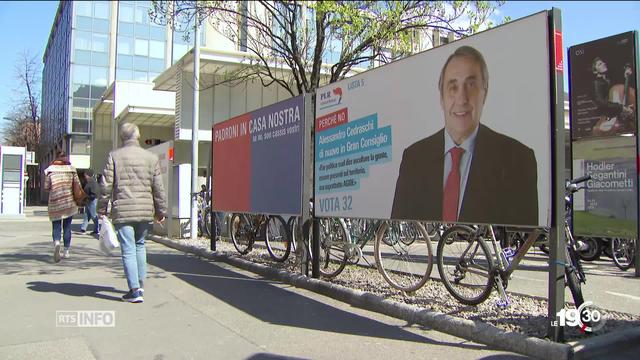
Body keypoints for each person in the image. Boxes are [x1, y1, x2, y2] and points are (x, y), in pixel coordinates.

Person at [391, 45, 538, 226]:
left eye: (471, 85)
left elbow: (524, 237)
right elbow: (396, 225)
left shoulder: (518, 159)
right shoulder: (414, 158)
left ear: (484, 93)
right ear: (441, 98)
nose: (461, 99)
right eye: (453, 87)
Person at [98, 123, 167, 303]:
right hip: (145, 211)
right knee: (140, 245)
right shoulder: (151, 158)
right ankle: (141, 285)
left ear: (122, 137)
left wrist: (102, 208)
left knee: (128, 249)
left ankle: (134, 291)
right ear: (138, 136)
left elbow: (106, 185)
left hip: (124, 211)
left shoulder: (114, 156)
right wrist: (161, 211)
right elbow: (158, 188)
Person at [44, 151, 81, 262]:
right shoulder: (72, 170)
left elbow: (46, 187)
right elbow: (77, 185)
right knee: (67, 227)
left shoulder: (50, 170)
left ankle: (56, 243)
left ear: (56, 158)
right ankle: (66, 251)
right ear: (66, 158)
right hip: (68, 202)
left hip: (55, 203)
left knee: (56, 226)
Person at [591, 57, 635, 135]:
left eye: (603, 62)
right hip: (608, 116)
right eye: (600, 64)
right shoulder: (597, 83)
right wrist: (621, 107)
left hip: (616, 112)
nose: (603, 64)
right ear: (595, 71)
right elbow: (601, 102)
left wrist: (626, 77)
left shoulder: (609, 79)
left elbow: (618, 91)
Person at [80, 169, 100, 235]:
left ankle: (96, 229)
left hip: (92, 200)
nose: (84, 176)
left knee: (94, 215)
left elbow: (94, 192)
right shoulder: (87, 182)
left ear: (88, 175)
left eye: (85, 174)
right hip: (88, 200)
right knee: (87, 215)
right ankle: (83, 228)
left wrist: (88, 196)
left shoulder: (93, 182)